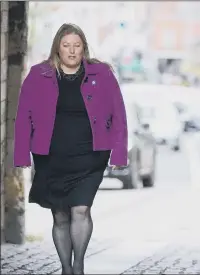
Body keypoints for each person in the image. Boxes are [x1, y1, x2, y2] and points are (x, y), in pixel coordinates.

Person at [14, 23, 128, 274]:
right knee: (60, 215)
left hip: (91, 156)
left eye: (77, 46)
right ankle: (65, 267)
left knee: (81, 208)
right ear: (57, 47)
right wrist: (21, 155)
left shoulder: (103, 74)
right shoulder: (38, 74)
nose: (72, 51)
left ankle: (78, 266)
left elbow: (118, 114)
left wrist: (119, 154)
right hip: (52, 157)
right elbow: (23, 117)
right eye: (66, 46)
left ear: (84, 48)